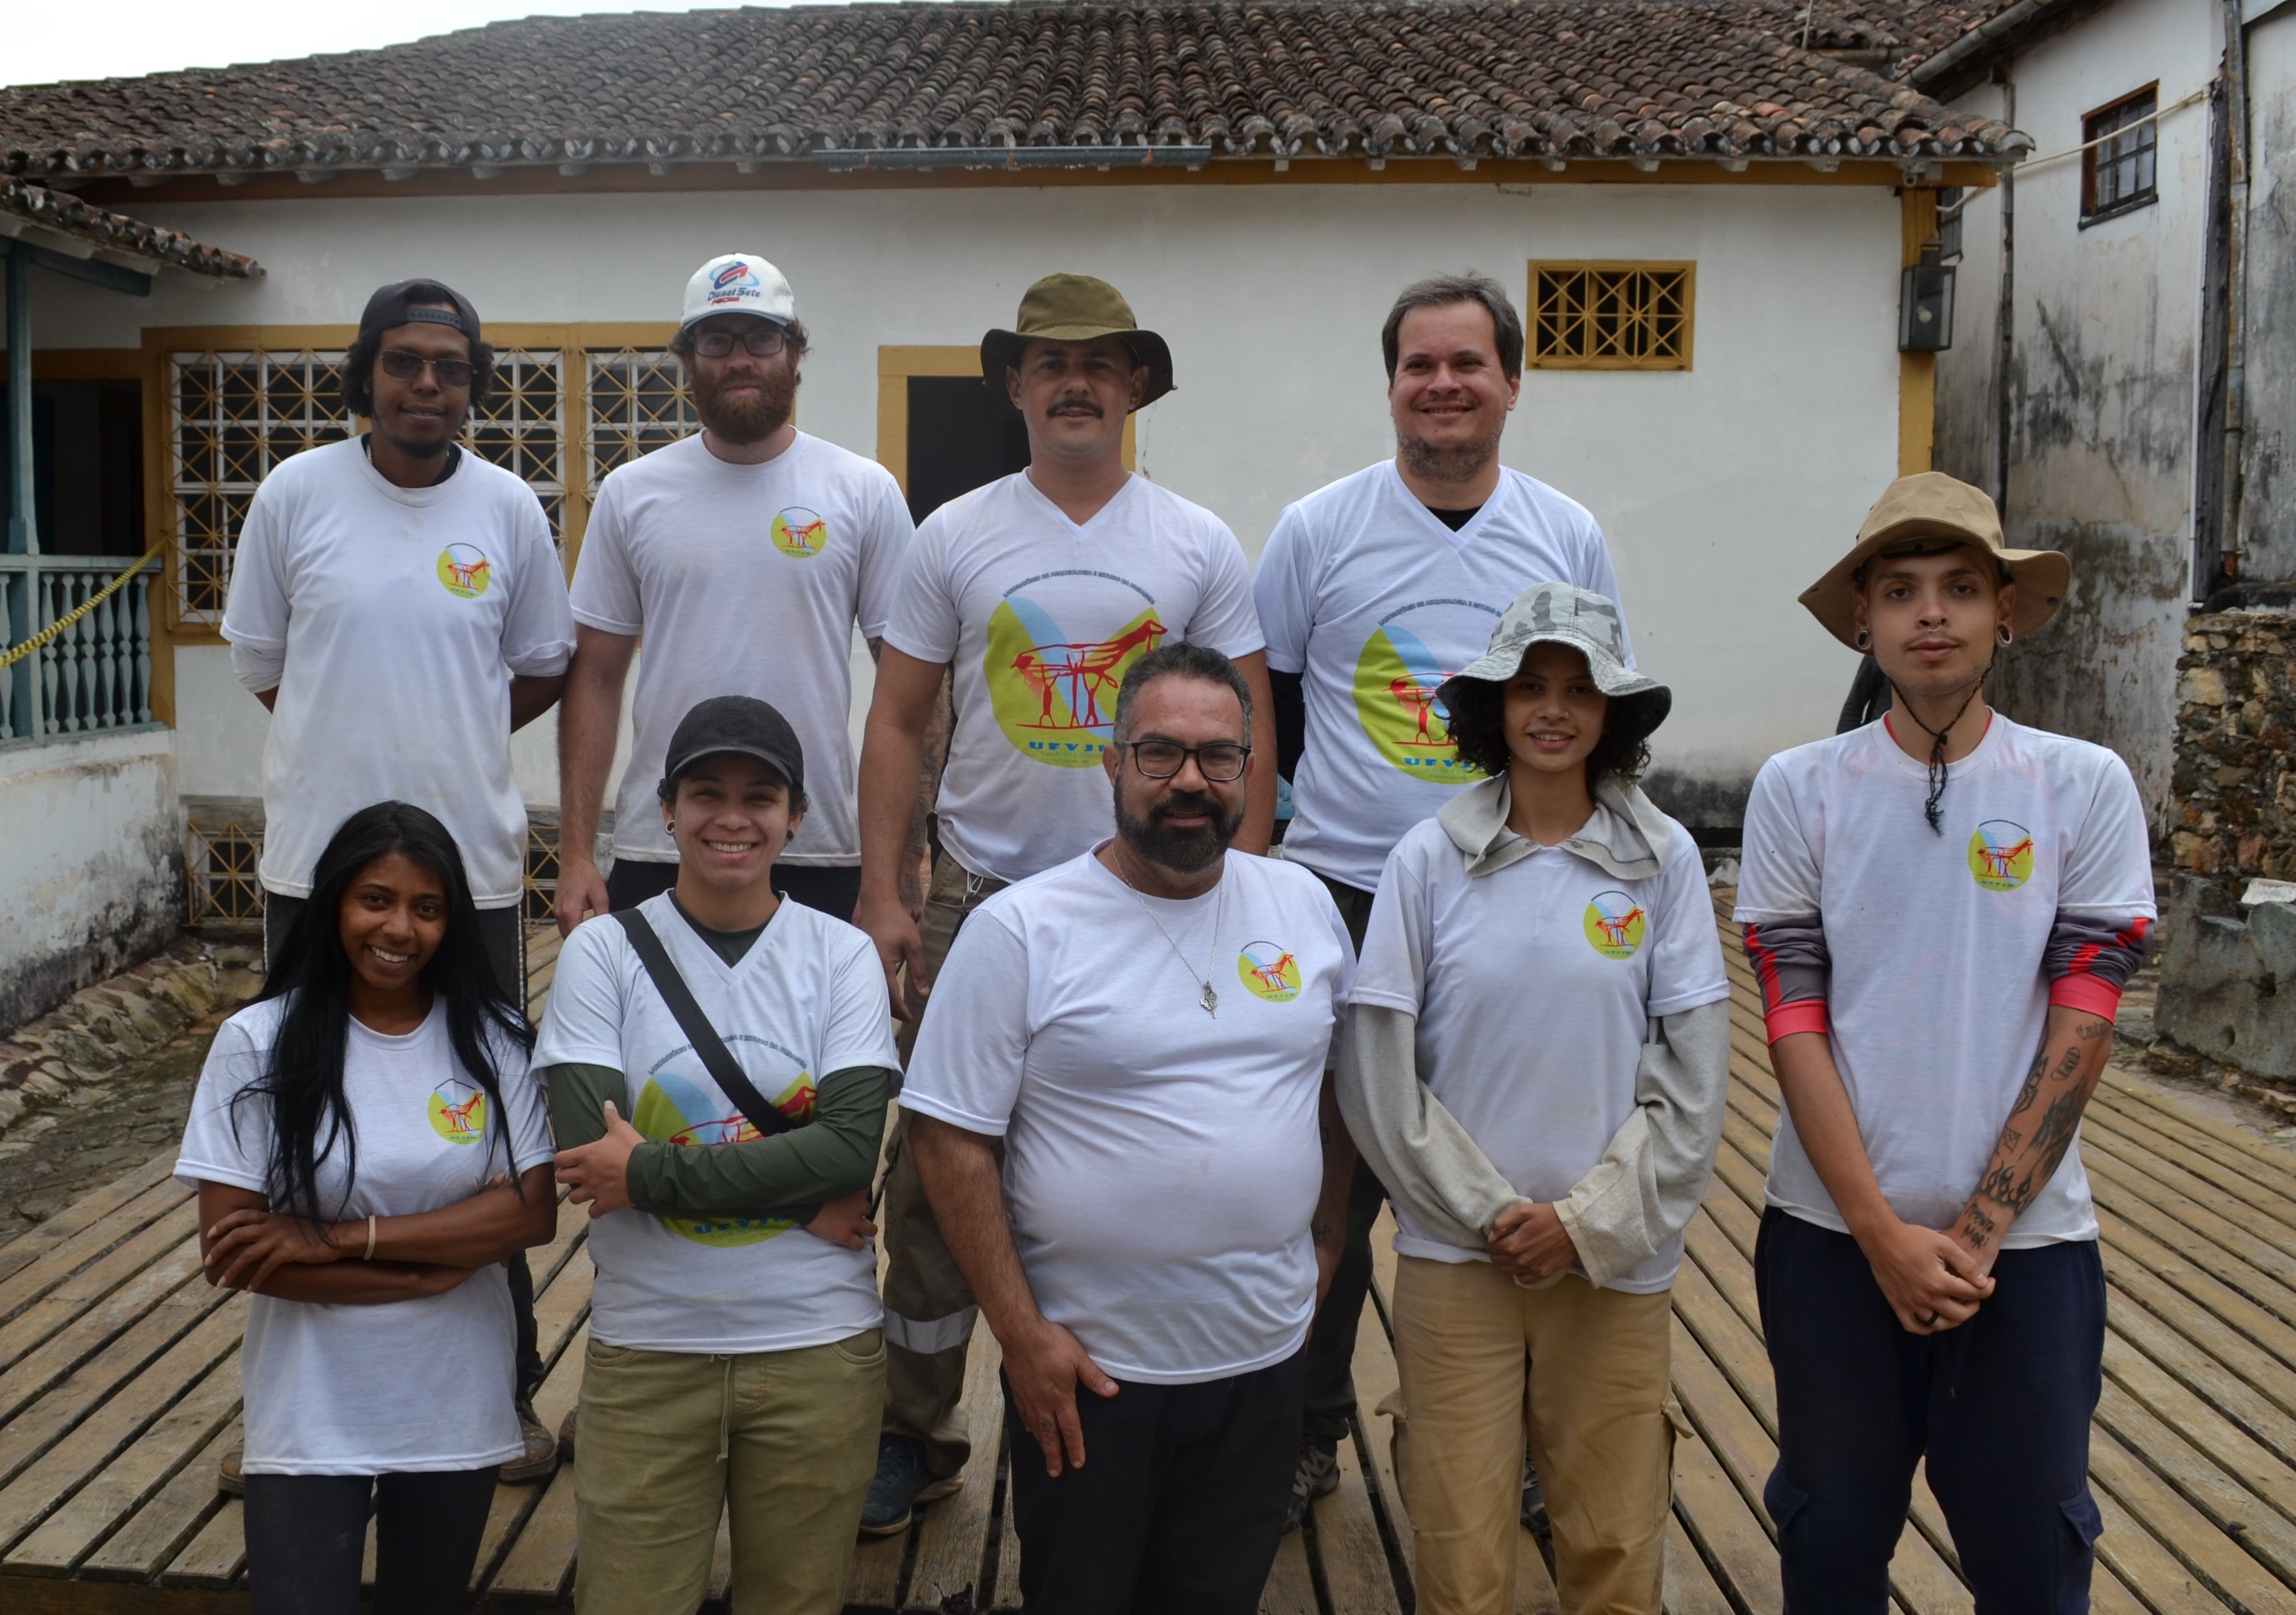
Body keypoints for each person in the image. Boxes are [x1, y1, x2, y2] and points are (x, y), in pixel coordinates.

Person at [853, 274, 1274, 1531]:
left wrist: (1237, 890)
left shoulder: (1196, 542)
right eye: (1049, 362)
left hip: (1153, 907)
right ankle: (915, 1425)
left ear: (1136, 383)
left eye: (1100, 362)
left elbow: (1248, 724)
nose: (1075, 381)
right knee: (934, 1179)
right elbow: (895, 717)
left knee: (1142, 1153)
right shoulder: (952, 535)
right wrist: (886, 886)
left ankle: (1142, 1396)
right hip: (977, 903)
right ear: (1014, 385)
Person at [1251, 272, 1633, 1524]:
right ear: (1391, 384)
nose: (1443, 384)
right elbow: (1283, 714)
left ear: (1510, 385)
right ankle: (1307, 1423)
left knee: (1505, 1174)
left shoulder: (1563, 530)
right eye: (1419, 364)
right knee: (1324, 1182)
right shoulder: (1315, 527)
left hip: (1508, 894)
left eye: (1467, 363)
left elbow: (1589, 714)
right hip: (1343, 894)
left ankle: (1518, 1441)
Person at [1735, 472, 2153, 1610]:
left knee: (2031, 1555)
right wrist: (1877, 1231)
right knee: (1827, 1541)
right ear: (1859, 622)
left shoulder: (2080, 784)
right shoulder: (1797, 788)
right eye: (1900, 589)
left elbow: (2084, 1012)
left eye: (1960, 588)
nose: (1930, 613)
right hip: (1828, 1240)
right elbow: (1792, 1017)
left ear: (2002, 616)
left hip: (2022, 1254)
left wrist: (1972, 1232)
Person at [902, 644, 1356, 1612]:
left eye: (1217, 756)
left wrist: (1325, 1242)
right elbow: (948, 1138)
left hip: (1261, 1362)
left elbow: (1333, 1089)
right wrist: (1021, 1338)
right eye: (1159, 753)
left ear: (1248, 770)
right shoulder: (1025, 929)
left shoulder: (1305, 906)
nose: (1189, 780)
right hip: (1090, 1377)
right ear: (1110, 764)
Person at [220, 277, 573, 1483]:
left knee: (486, 1134)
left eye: (453, 366)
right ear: (365, 373)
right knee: (300, 1118)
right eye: (405, 362)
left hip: (468, 875)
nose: (429, 385)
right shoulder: (295, 494)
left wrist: (446, 738)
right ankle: (281, 1408)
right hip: (314, 871)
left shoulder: (508, 509)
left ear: (475, 383)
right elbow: (267, 660)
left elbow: (535, 668)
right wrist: (348, 760)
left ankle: (504, 1391)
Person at [1338, 584, 1729, 1614]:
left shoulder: (1663, 861)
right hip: (1459, 1262)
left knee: (1612, 1540)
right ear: (1491, 709)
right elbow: (1379, 1073)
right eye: (1529, 688)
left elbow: (1691, 1082)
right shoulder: (1430, 859)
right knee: (1459, 1546)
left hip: (1617, 1266)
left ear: (1614, 715)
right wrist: (1494, 1217)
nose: (1553, 710)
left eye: (1580, 689)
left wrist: (1582, 1222)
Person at [535, 696, 899, 1614]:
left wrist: (649, 1173)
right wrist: (798, 1197)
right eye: (706, 793)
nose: (732, 819)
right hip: (650, 1352)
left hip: (816, 1350)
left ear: (797, 816)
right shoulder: (604, 954)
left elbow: (852, 1148)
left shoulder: (842, 957)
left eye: (760, 796)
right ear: (665, 807)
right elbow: (586, 1153)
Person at [176, 803, 558, 1615]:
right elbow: (236, 1253)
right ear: (332, 905)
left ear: (452, 922)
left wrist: (330, 1238)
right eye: (375, 899)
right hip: (310, 1404)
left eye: (427, 907)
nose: (400, 927)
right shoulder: (257, 1041)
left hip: (452, 1395)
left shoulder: (493, 1040)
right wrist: (433, 1268)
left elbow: (530, 1217)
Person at [556, 254, 914, 931]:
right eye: (716, 341)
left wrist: (888, 880)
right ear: (688, 358)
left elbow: (908, 699)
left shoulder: (862, 491)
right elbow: (595, 679)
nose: (740, 358)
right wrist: (576, 854)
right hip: (658, 842)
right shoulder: (632, 494)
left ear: (795, 350)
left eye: (761, 337)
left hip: (817, 847)